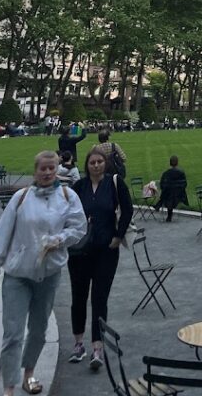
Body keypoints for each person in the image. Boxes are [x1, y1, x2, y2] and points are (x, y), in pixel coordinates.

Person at [0, 151, 86, 396]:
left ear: (57, 171)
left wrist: (59, 239)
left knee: (39, 330)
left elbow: (79, 228)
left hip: (48, 274)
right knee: (13, 332)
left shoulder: (67, 196)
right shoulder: (21, 198)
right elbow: (2, 234)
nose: (47, 172)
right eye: (43, 168)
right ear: (35, 171)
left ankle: (28, 373)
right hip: (17, 275)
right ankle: (9, 385)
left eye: (52, 168)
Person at [67, 145, 133, 371]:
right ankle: (78, 343)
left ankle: (97, 346)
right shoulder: (78, 187)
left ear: (105, 163)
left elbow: (127, 209)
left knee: (99, 299)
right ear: (87, 165)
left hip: (106, 250)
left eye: (99, 162)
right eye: (92, 162)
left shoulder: (114, 184)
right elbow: (65, 212)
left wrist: (118, 235)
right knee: (78, 297)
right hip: (80, 252)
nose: (95, 165)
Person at [155, 155, 188, 223]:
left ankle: (160, 206)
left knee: (168, 195)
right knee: (171, 194)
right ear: (177, 163)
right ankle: (161, 207)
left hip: (168, 194)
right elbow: (184, 184)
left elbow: (162, 184)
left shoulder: (166, 173)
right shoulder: (181, 172)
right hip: (178, 194)